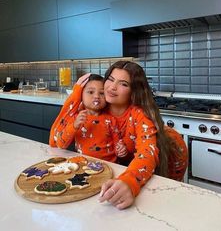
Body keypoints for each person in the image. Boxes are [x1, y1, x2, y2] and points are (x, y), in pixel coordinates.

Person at [50, 61, 188, 210]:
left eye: (123, 84)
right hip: (120, 163)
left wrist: (129, 181)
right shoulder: (98, 105)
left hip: (172, 150)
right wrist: (77, 93)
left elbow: (146, 153)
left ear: (134, 91)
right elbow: (54, 139)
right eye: (110, 79)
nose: (112, 87)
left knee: (162, 200)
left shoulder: (139, 115)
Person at [49, 74, 126, 162]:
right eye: (90, 92)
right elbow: (61, 144)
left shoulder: (111, 120)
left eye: (101, 93)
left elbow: (118, 143)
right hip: (83, 163)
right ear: (81, 95)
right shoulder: (76, 118)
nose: (96, 96)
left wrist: (121, 150)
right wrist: (74, 126)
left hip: (110, 164)